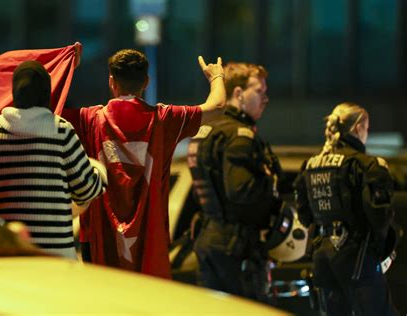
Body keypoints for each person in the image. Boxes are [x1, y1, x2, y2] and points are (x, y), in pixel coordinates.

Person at [62, 49, 225, 278]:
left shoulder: (89, 119)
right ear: (146, 82)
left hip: (100, 238)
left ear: (112, 82)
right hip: (150, 239)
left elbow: (47, 108)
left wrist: (65, 67)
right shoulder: (165, 118)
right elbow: (217, 108)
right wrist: (217, 76)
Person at [0, 60, 107, 260]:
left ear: (14, 93)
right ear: (47, 93)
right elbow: (87, 188)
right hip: (54, 257)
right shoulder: (61, 131)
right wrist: (100, 172)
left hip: (4, 253)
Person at [187, 62, 282, 301]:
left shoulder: (206, 129)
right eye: (259, 91)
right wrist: (269, 185)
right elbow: (241, 190)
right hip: (235, 246)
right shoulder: (239, 135)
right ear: (238, 93)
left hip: (209, 238)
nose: (265, 98)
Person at [293, 102, 397, 315]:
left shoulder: (311, 165)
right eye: (367, 128)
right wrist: (381, 251)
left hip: (322, 260)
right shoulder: (367, 165)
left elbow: (304, 214)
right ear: (358, 127)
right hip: (358, 259)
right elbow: (380, 215)